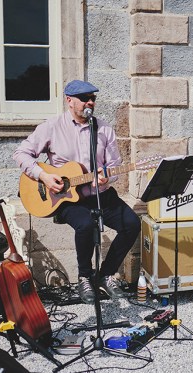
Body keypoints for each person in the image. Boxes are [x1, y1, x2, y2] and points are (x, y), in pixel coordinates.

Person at [13, 79, 140, 304]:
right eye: (84, 98)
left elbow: (115, 167)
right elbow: (21, 154)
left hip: (99, 194)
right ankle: (84, 276)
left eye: (93, 98)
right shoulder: (51, 127)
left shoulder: (104, 129)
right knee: (86, 224)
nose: (90, 102)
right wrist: (43, 176)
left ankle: (105, 274)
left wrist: (106, 176)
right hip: (66, 199)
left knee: (131, 224)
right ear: (69, 101)